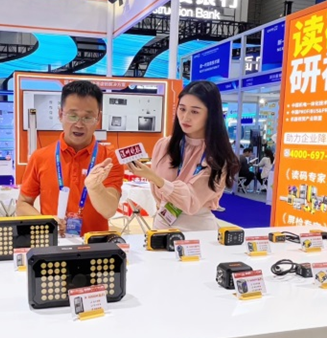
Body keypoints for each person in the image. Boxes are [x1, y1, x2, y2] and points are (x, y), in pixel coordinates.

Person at [126, 81, 240, 231]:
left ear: (210, 115)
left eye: (195, 112)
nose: (185, 117)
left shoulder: (218, 156)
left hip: (197, 229)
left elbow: (191, 202)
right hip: (162, 224)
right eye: (182, 109)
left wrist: (154, 178)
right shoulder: (164, 145)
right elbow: (157, 195)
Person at [16, 80, 124, 236]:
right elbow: (22, 204)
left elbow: (109, 211)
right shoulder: (40, 157)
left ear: (98, 118)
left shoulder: (109, 159)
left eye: (87, 117)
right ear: (61, 115)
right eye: (73, 116)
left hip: (95, 245)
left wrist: (95, 187)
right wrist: (46, 222)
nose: (79, 124)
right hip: (53, 242)